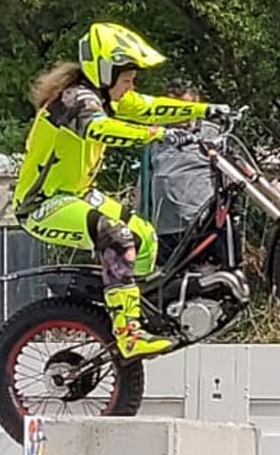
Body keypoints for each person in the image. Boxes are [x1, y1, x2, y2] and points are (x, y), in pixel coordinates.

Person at [12, 23, 229, 358]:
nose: (131, 86)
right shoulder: (75, 100)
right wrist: (158, 134)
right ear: (104, 72)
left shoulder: (103, 98)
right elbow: (101, 130)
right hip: (43, 204)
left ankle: (142, 314)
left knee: (145, 236)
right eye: (127, 79)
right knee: (117, 236)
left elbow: (148, 107)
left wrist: (205, 110)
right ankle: (128, 334)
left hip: (78, 194)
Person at [145, 79, 221, 266]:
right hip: (163, 228)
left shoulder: (211, 134)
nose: (180, 113)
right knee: (168, 279)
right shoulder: (155, 136)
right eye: (175, 107)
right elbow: (145, 180)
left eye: (186, 107)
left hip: (201, 224)